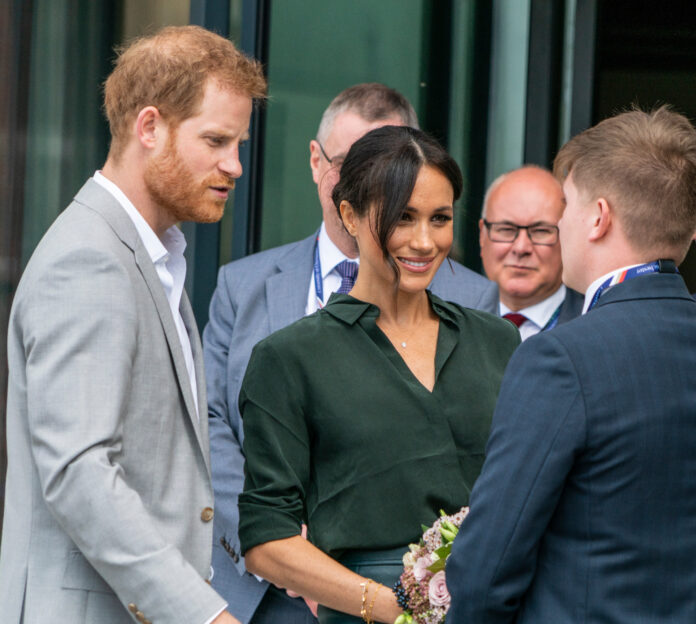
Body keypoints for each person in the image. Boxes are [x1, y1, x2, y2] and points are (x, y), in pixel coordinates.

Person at [203, 83, 498, 623]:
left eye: (440, 218)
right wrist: (389, 605)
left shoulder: (493, 339)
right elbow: (264, 535)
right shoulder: (289, 356)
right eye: (403, 217)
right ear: (352, 214)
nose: (425, 241)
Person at [0, 26, 266, 624]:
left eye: (239, 143)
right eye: (217, 140)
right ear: (150, 127)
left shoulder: (153, 254)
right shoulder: (90, 259)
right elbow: (79, 472)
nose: (236, 166)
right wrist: (203, 615)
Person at [446, 106, 696, 623]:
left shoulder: (560, 357)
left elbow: (486, 571)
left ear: (599, 217)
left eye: (567, 208)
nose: (559, 225)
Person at [480, 165, 582, 340]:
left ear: (568, 237)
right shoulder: (444, 320)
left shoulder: (592, 326)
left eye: (541, 231)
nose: (521, 248)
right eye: (506, 229)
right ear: (482, 236)